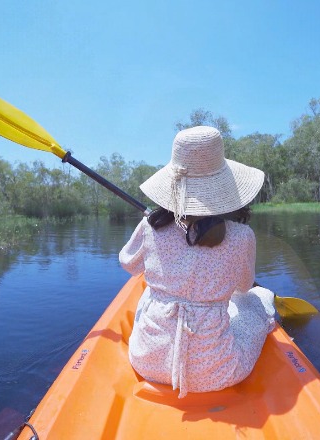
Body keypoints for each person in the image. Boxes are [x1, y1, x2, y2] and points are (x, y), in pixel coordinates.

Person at [119, 125, 276, 398]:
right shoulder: (241, 236)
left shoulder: (149, 226)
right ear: (224, 186)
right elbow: (243, 286)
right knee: (256, 300)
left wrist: (154, 230)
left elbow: (129, 265)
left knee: (147, 297)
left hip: (147, 362)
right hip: (217, 372)